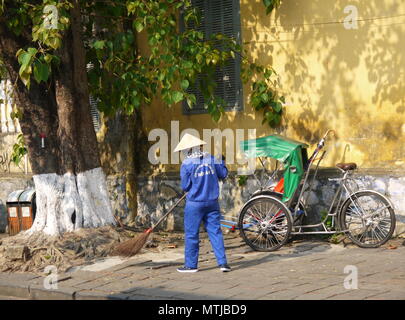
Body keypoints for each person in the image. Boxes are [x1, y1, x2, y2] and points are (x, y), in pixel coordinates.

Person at [173, 133, 230, 273]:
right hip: (212, 202)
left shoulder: (186, 164)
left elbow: (185, 186)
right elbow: (223, 174)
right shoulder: (211, 159)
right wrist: (222, 162)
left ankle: (191, 265)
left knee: (192, 234)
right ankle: (223, 264)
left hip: (195, 204)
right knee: (215, 232)